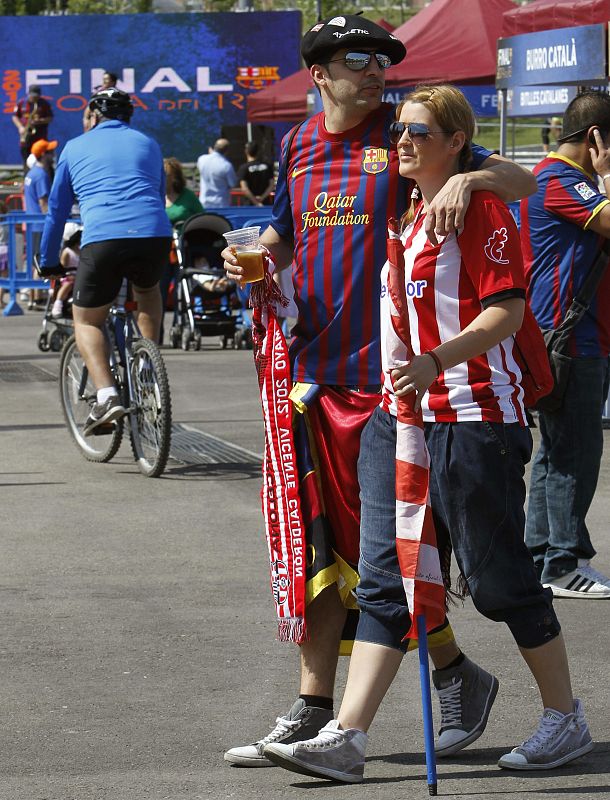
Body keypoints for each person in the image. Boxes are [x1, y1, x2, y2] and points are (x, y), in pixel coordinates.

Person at [222, 15, 538, 768]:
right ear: (320, 74)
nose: (375, 70)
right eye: (358, 58)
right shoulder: (298, 144)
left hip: (392, 387)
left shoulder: (406, 136)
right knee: (317, 552)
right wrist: (257, 257)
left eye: (382, 59)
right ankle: (319, 706)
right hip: (313, 377)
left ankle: (433, 686)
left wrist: (468, 177)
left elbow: (523, 181)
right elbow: (287, 230)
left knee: (389, 563)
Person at [263, 84, 592, 782]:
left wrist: (435, 361)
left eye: (419, 132)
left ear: (455, 143)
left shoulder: (480, 208)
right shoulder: (407, 212)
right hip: (401, 416)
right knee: (385, 580)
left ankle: (565, 716)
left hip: (474, 415)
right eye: (400, 132)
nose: (403, 142)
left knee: (500, 583)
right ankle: (348, 736)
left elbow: (507, 310)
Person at [39, 87, 171, 435]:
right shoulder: (148, 143)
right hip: (155, 234)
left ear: (93, 116)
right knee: (147, 290)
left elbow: (56, 212)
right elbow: (158, 196)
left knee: (86, 320)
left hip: (104, 238)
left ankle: (107, 395)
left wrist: (48, 260)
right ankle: (147, 367)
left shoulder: (74, 147)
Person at [522, 90, 610, 599]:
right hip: (572, 340)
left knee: (556, 453)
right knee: (574, 453)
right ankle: (563, 562)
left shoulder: (561, 180)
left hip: (566, 337)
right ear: (597, 137)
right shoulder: (559, 180)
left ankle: (542, 557)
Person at [161, 157, 204, 341]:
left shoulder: (188, 197)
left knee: (182, 289)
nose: (163, 179)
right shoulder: (155, 196)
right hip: (162, 249)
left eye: (166, 175)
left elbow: (201, 219)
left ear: (175, 177)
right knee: (160, 290)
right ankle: (156, 334)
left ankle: (179, 326)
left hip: (183, 248)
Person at [24, 139, 57, 309]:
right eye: (50, 152)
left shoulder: (31, 174)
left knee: (33, 261)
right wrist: (53, 223)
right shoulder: (41, 175)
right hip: (40, 224)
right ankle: (37, 299)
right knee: (40, 260)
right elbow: (44, 203)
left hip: (32, 224)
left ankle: (33, 298)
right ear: (43, 155)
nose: (53, 154)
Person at [12, 85, 54, 169]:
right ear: (28, 94)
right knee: (26, 161)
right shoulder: (22, 103)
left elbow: (50, 118)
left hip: (40, 137)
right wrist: (20, 127)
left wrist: (40, 121)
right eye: (32, 96)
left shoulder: (44, 104)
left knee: (43, 161)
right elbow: (15, 117)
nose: (34, 98)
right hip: (26, 136)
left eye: (36, 96)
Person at [51, 223, 81, 319]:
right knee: (69, 284)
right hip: (67, 278)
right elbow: (62, 268)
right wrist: (68, 275)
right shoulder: (67, 252)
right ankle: (58, 304)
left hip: (79, 277)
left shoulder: (81, 250)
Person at [196, 138, 237, 208]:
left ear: (214, 147)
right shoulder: (226, 165)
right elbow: (233, 184)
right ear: (227, 151)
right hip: (221, 204)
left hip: (204, 203)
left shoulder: (201, 159)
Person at [236, 142, 275, 206]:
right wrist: (262, 198)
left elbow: (244, 188)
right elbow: (271, 185)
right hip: (265, 203)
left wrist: (255, 202)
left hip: (249, 205)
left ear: (246, 151)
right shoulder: (267, 166)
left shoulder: (244, 168)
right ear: (258, 152)